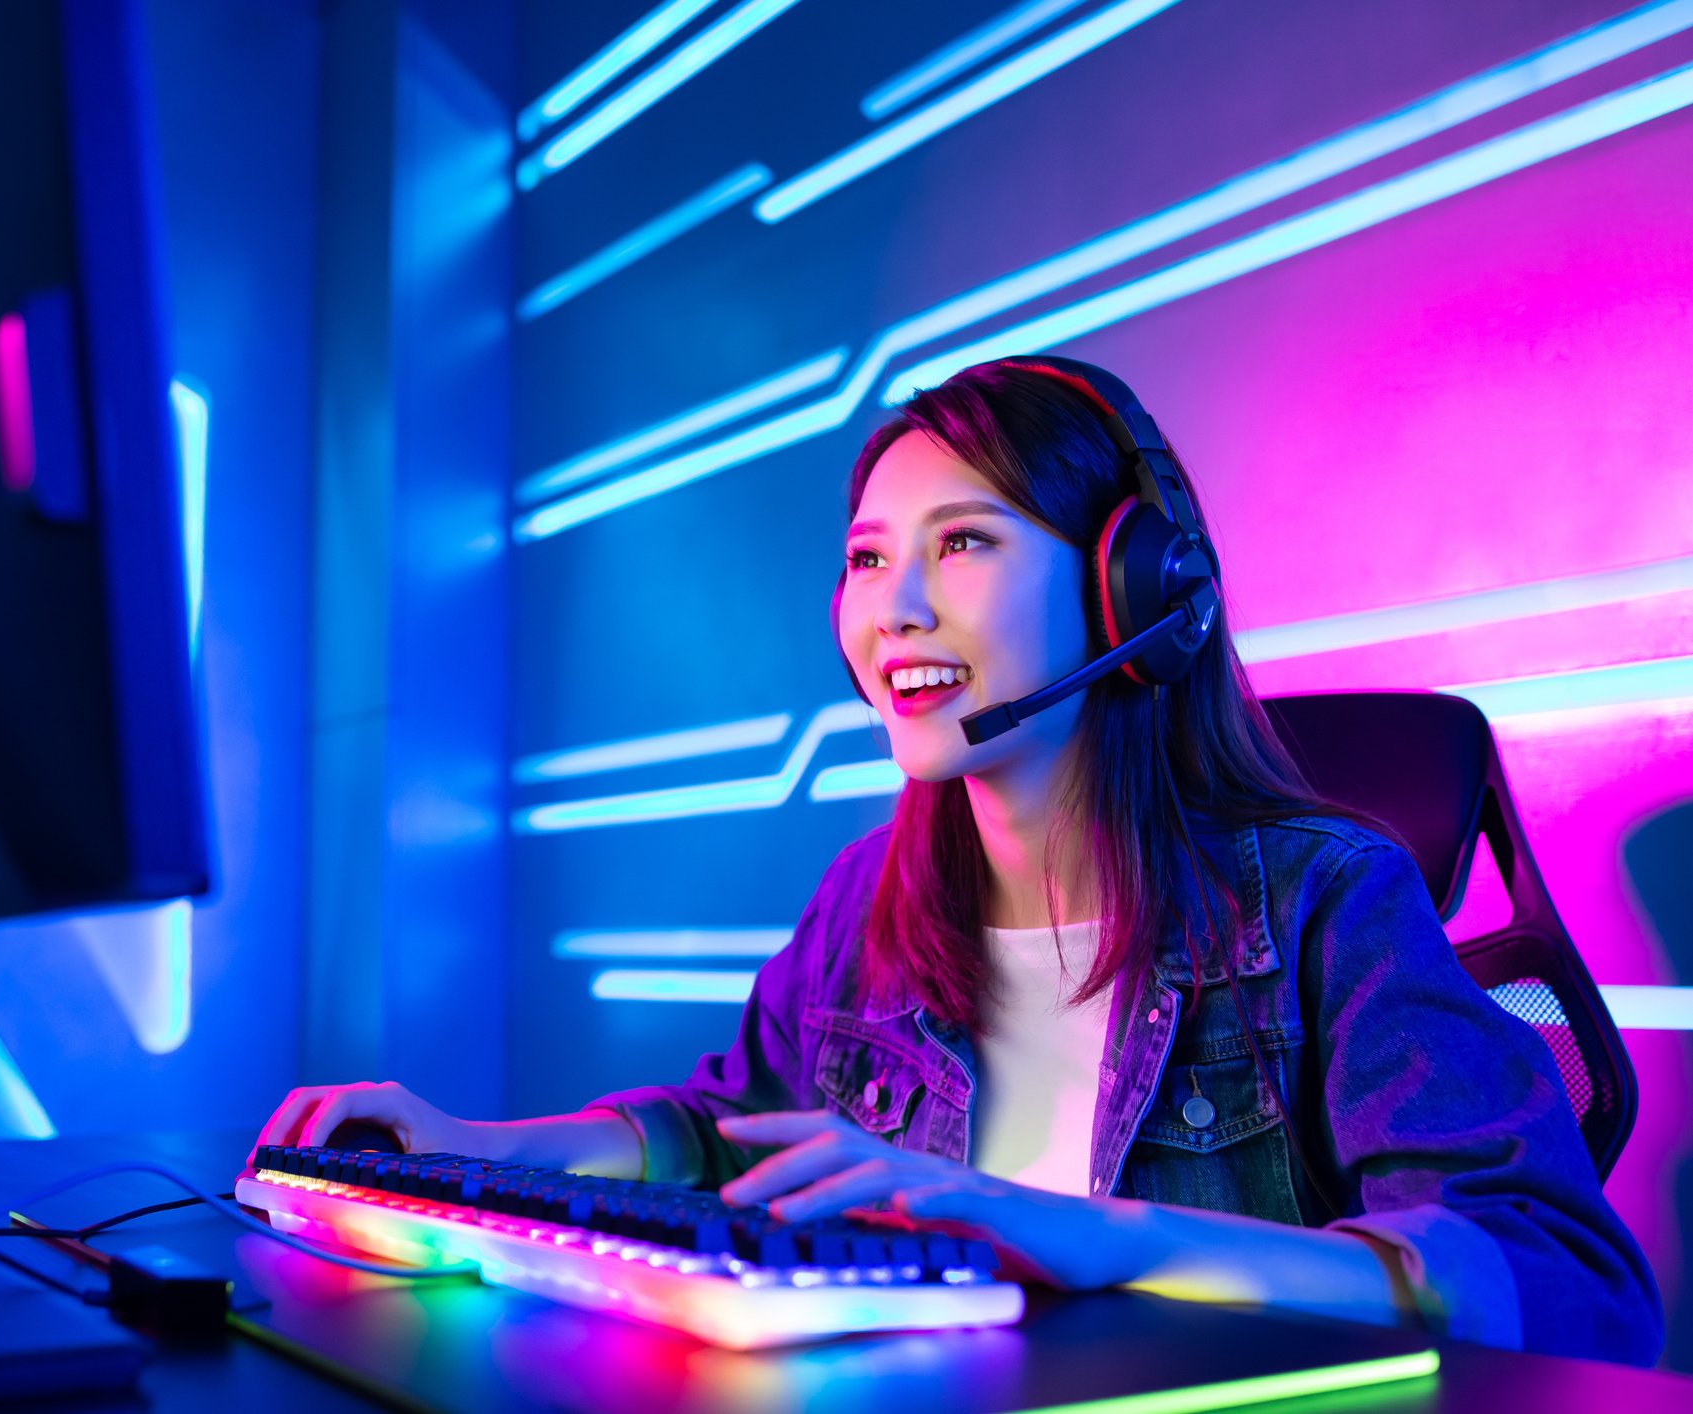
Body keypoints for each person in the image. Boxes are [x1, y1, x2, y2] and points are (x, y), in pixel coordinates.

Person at [255, 358, 1663, 1363]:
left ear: (1135, 588)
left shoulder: (1319, 899)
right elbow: (726, 1126)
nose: (894, 609)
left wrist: (1091, 1233)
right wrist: (480, 1148)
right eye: (868, 558)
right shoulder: (869, 899)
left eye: (964, 543)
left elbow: (1572, 1286)